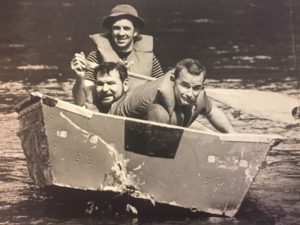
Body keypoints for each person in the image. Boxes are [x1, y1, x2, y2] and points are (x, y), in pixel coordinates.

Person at [71, 4, 164, 106]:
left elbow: (163, 90)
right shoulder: (95, 57)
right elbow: (80, 102)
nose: (121, 33)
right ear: (111, 31)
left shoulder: (150, 59)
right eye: (116, 28)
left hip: (137, 111)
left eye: (126, 28)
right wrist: (80, 77)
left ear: (135, 31)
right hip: (106, 113)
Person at [111, 58, 235, 133]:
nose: (190, 94)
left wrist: (233, 135)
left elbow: (212, 112)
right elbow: (154, 154)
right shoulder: (158, 110)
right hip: (114, 125)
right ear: (173, 80)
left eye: (196, 88)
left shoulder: (198, 92)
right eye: (185, 86)